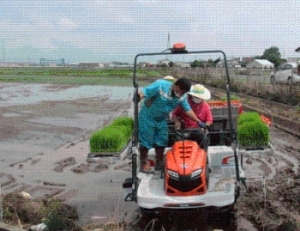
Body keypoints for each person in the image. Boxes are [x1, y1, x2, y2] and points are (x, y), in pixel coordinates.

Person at [136, 77, 203, 173]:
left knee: (162, 139)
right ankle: (144, 163)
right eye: (181, 91)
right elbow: (145, 91)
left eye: (184, 93)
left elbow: (187, 109)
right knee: (145, 139)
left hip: (161, 118)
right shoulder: (161, 85)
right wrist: (139, 96)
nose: (181, 94)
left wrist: (198, 121)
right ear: (176, 86)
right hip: (147, 116)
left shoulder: (182, 97)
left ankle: (159, 162)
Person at [171, 84, 213, 150]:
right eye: (196, 96)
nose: (197, 98)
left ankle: (204, 155)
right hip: (184, 129)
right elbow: (174, 114)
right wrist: (177, 121)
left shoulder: (206, 106)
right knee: (177, 142)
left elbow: (209, 120)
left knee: (203, 139)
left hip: (198, 130)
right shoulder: (184, 104)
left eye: (199, 97)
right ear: (192, 96)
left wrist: (205, 126)